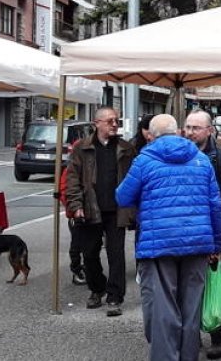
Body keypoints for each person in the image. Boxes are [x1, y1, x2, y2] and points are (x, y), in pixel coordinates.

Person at [116, 114, 221, 361]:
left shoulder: (145, 160)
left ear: (150, 135)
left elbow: (123, 198)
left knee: (163, 309)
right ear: (178, 133)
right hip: (198, 243)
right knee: (191, 308)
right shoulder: (201, 159)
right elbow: (215, 205)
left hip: (158, 244)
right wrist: (216, 244)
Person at [178, 111, 221, 359]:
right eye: (188, 127)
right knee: (189, 287)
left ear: (209, 130)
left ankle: (220, 338)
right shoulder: (181, 158)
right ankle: (192, 336)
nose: (191, 132)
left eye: (196, 128)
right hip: (187, 234)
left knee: (216, 284)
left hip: (214, 235)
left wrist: (218, 234)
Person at [66, 106, 137, 316]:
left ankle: (115, 296)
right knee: (89, 254)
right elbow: (72, 179)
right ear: (96, 123)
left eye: (117, 120)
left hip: (117, 209)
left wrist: (133, 209)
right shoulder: (82, 148)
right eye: (110, 121)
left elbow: (133, 179)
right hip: (90, 208)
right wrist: (76, 205)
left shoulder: (126, 149)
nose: (115, 124)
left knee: (116, 255)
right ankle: (97, 288)